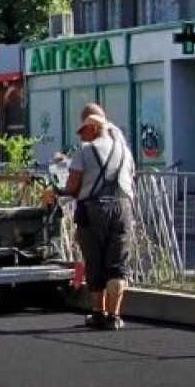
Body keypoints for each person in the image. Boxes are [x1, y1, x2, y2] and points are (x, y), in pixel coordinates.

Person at [62, 107, 135, 330]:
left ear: (94, 128)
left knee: (95, 260)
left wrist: (71, 191)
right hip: (123, 208)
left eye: (83, 130)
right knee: (117, 263)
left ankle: (98, 312)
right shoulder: (125, 151)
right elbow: (130, 178)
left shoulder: (84, 152)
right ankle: (115, 316)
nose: (80, 135)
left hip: (93, 210)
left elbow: (72, 185)